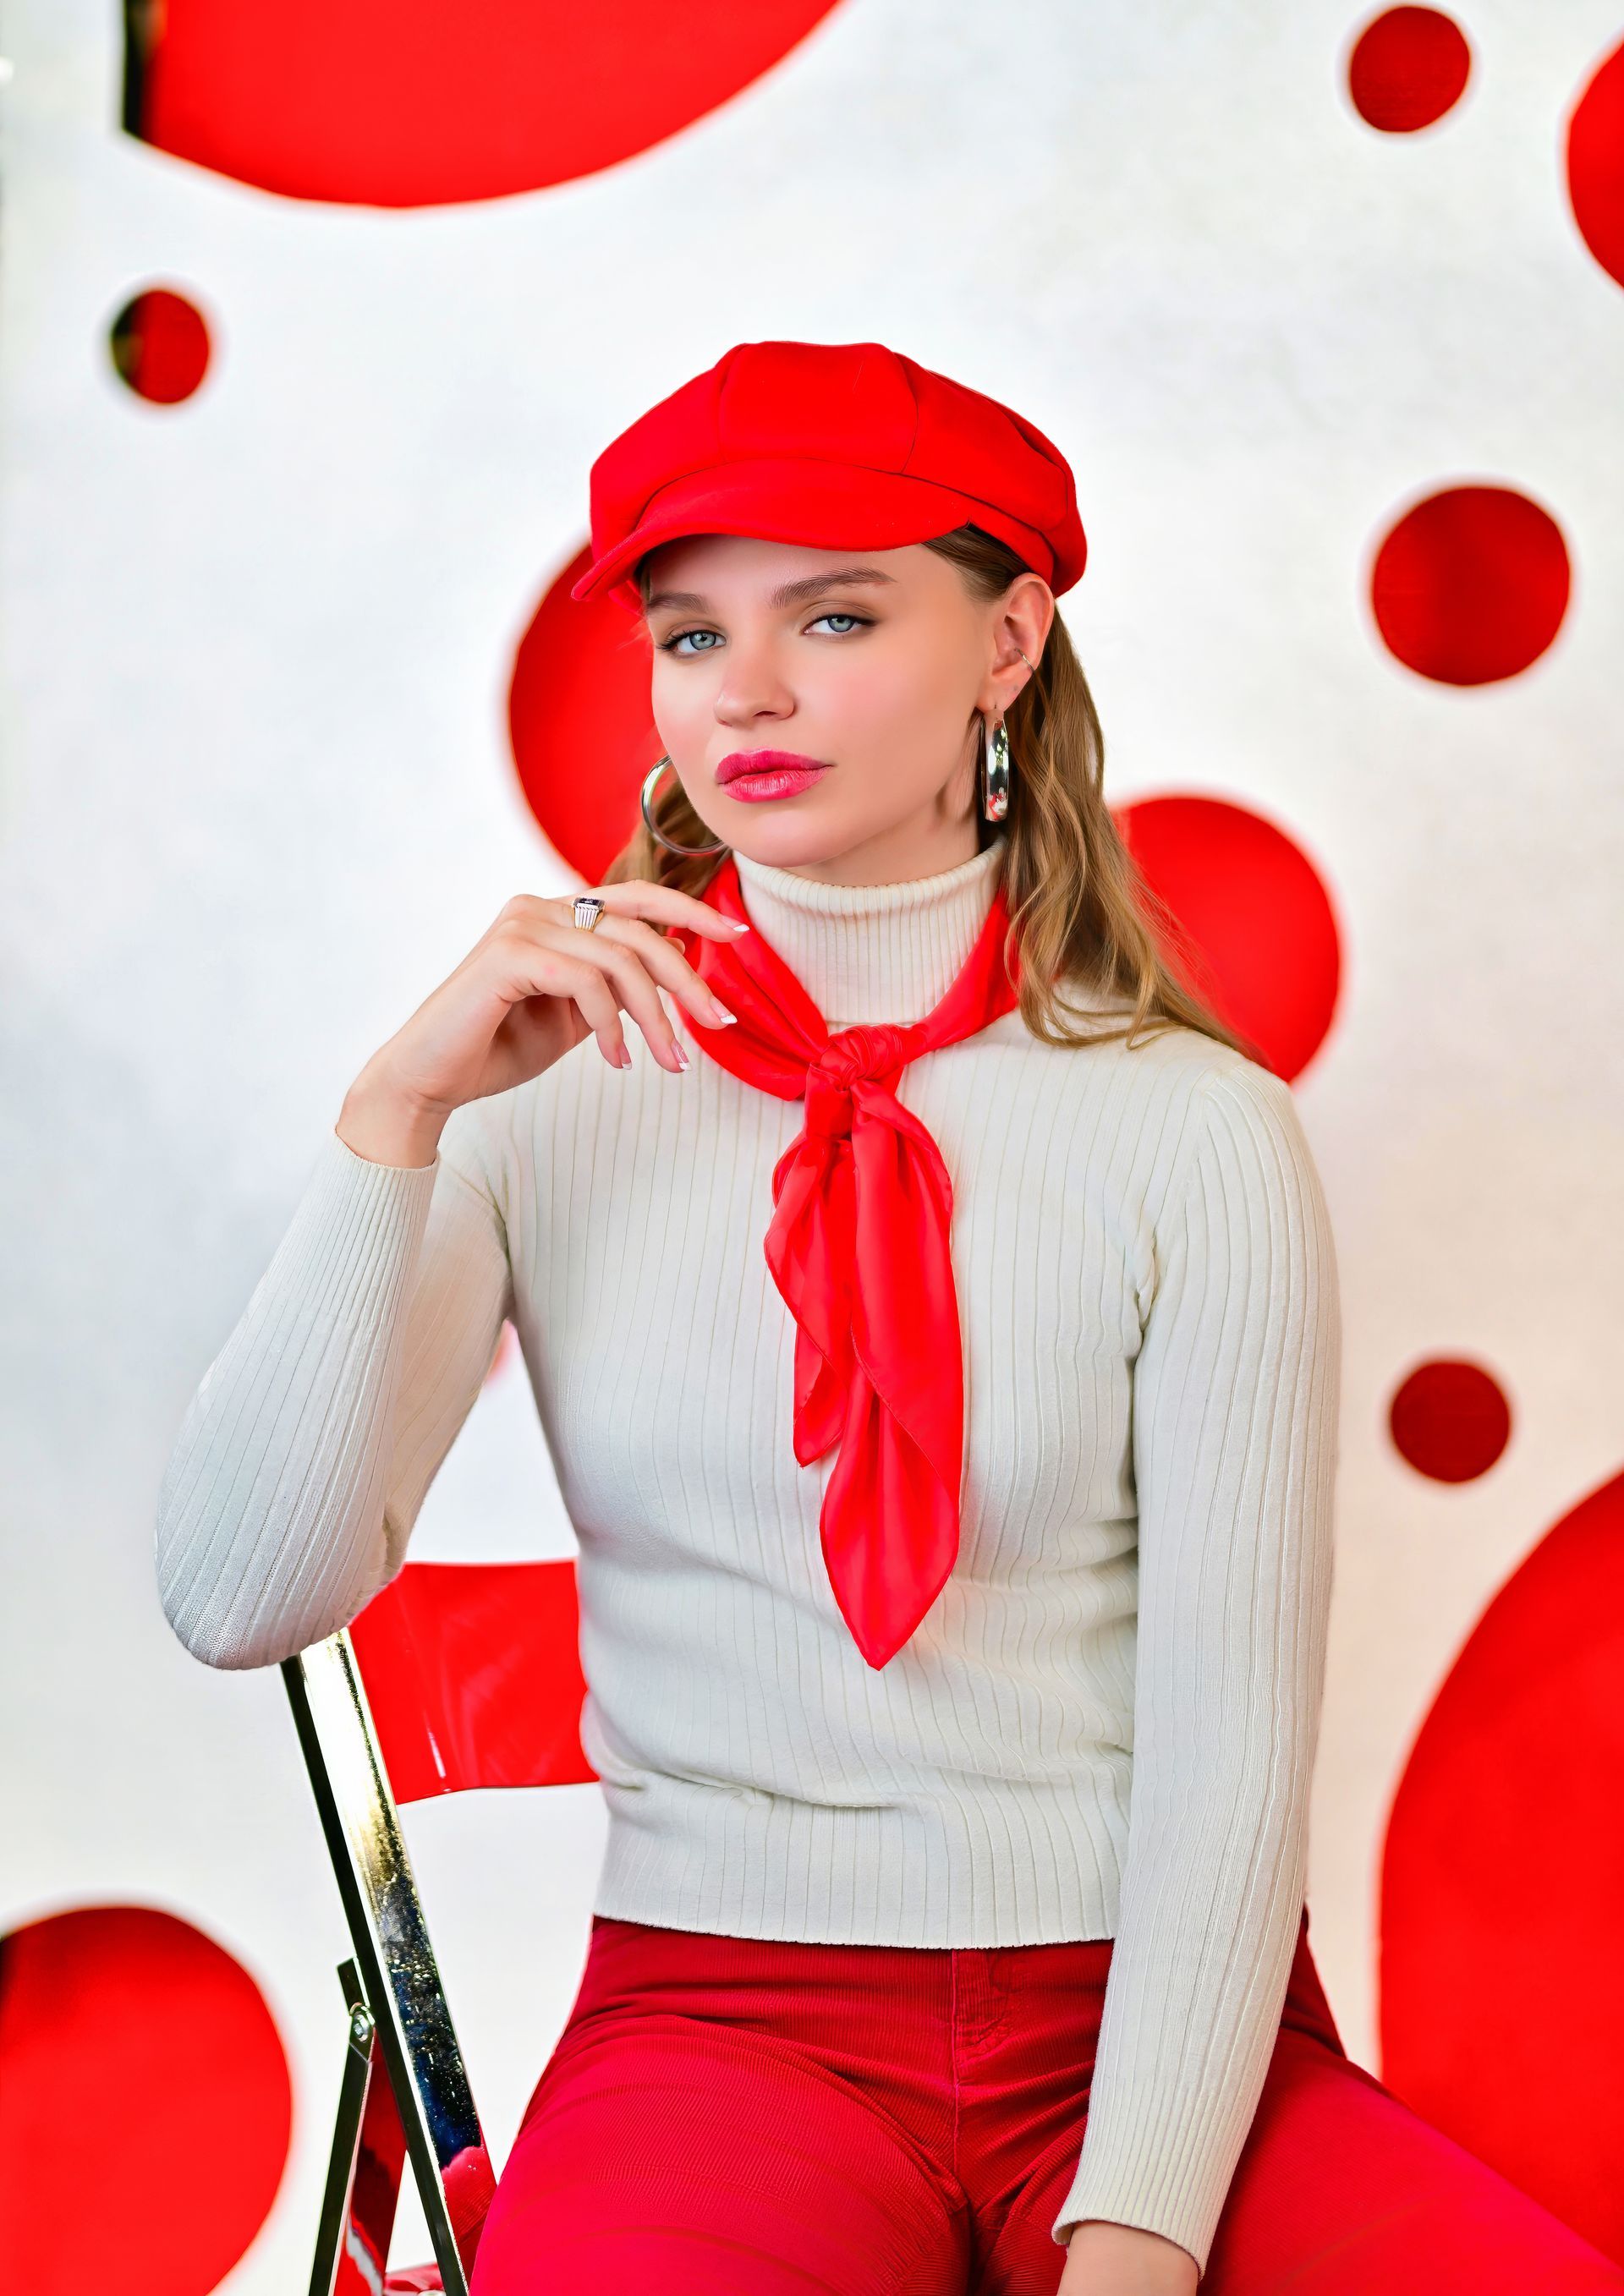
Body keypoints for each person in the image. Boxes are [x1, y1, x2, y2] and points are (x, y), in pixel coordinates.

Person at [154, 341, 1624, 2296]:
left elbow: (1229, 1744)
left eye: (833, 613)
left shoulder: (1194, 1133)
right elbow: (237, 1592)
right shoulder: (548, 1099)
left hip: (1155, 2029)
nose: (742, 692)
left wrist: (1141, 2229)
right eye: (691, 632)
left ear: (1008, 640)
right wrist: (393, 1121)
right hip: (717, 2033)